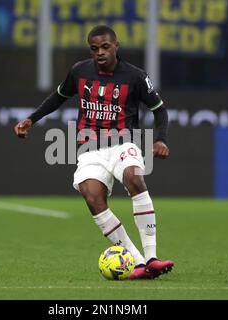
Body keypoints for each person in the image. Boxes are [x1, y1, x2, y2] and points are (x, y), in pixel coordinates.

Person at [14, 25, 173, 280]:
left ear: (116, 47)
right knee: (92, 196)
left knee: (134, 177)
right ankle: (138, 262)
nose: (99, 52)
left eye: (105, 47)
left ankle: (152, 256)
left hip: (124, 142)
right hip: (89, 149)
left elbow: (159, 110)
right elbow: (58, 97)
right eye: (94, 48)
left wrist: (161, 139)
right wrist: (31, 119)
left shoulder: (135, 76)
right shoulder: (79, 71)